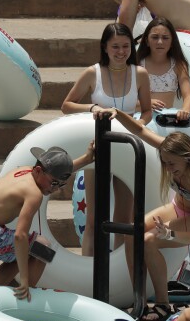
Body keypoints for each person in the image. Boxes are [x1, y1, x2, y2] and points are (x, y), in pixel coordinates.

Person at [96, 107, 190, 321]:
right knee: (132, 231)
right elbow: (140, 131)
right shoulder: (168, 150)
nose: (168, 168)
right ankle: (139, 300)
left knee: (149, 240)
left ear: (188, 159)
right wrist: (117, 112)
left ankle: (163, 304)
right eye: (164, 163)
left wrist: (169, 233)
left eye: (172, 164)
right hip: (178, 206)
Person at [61, 22, 151, 267]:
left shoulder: (140, 74)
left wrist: (139, 126)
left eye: (125, 46)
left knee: (123, 217)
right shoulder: (93, 73)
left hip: (126, 147)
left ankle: (119, 272)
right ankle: (89, 271)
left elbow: (147, 110)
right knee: (94, 217)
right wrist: (92, 108)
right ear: (105, 47)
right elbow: (66, 105)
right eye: (115, 47)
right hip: (98, 148)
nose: (121, 51)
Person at [0, 145, 95, 301]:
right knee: (42, 247)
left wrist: (86, 159)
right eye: (53, 183)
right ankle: (26, 295)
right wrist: (23, 279)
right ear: (38, 171)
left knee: (25, 251)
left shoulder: (24, 171)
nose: (55, 189)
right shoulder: (34, 193)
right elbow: (20, 236)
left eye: (60, 184)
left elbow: (54, 173)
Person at [137, 18, 190, 118]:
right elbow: (125, 100)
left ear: (172, 41)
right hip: (140, 119)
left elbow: (188, 96)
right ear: (146, 41)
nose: (160, 42)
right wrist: (146, 103)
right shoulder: (136, 65)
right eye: (155, 37)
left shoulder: (179, 65)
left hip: (166, 121)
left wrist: (185, 110)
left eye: (165, 38)